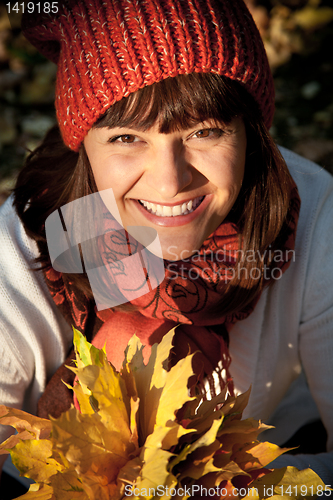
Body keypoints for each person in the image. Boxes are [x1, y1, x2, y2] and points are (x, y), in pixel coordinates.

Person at [0, 0, 332, 495]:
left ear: (251, 134)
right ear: (83, 144)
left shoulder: (312, 213)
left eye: (205, 131)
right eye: (127, 138)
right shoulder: (23, 246)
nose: (170, 182)